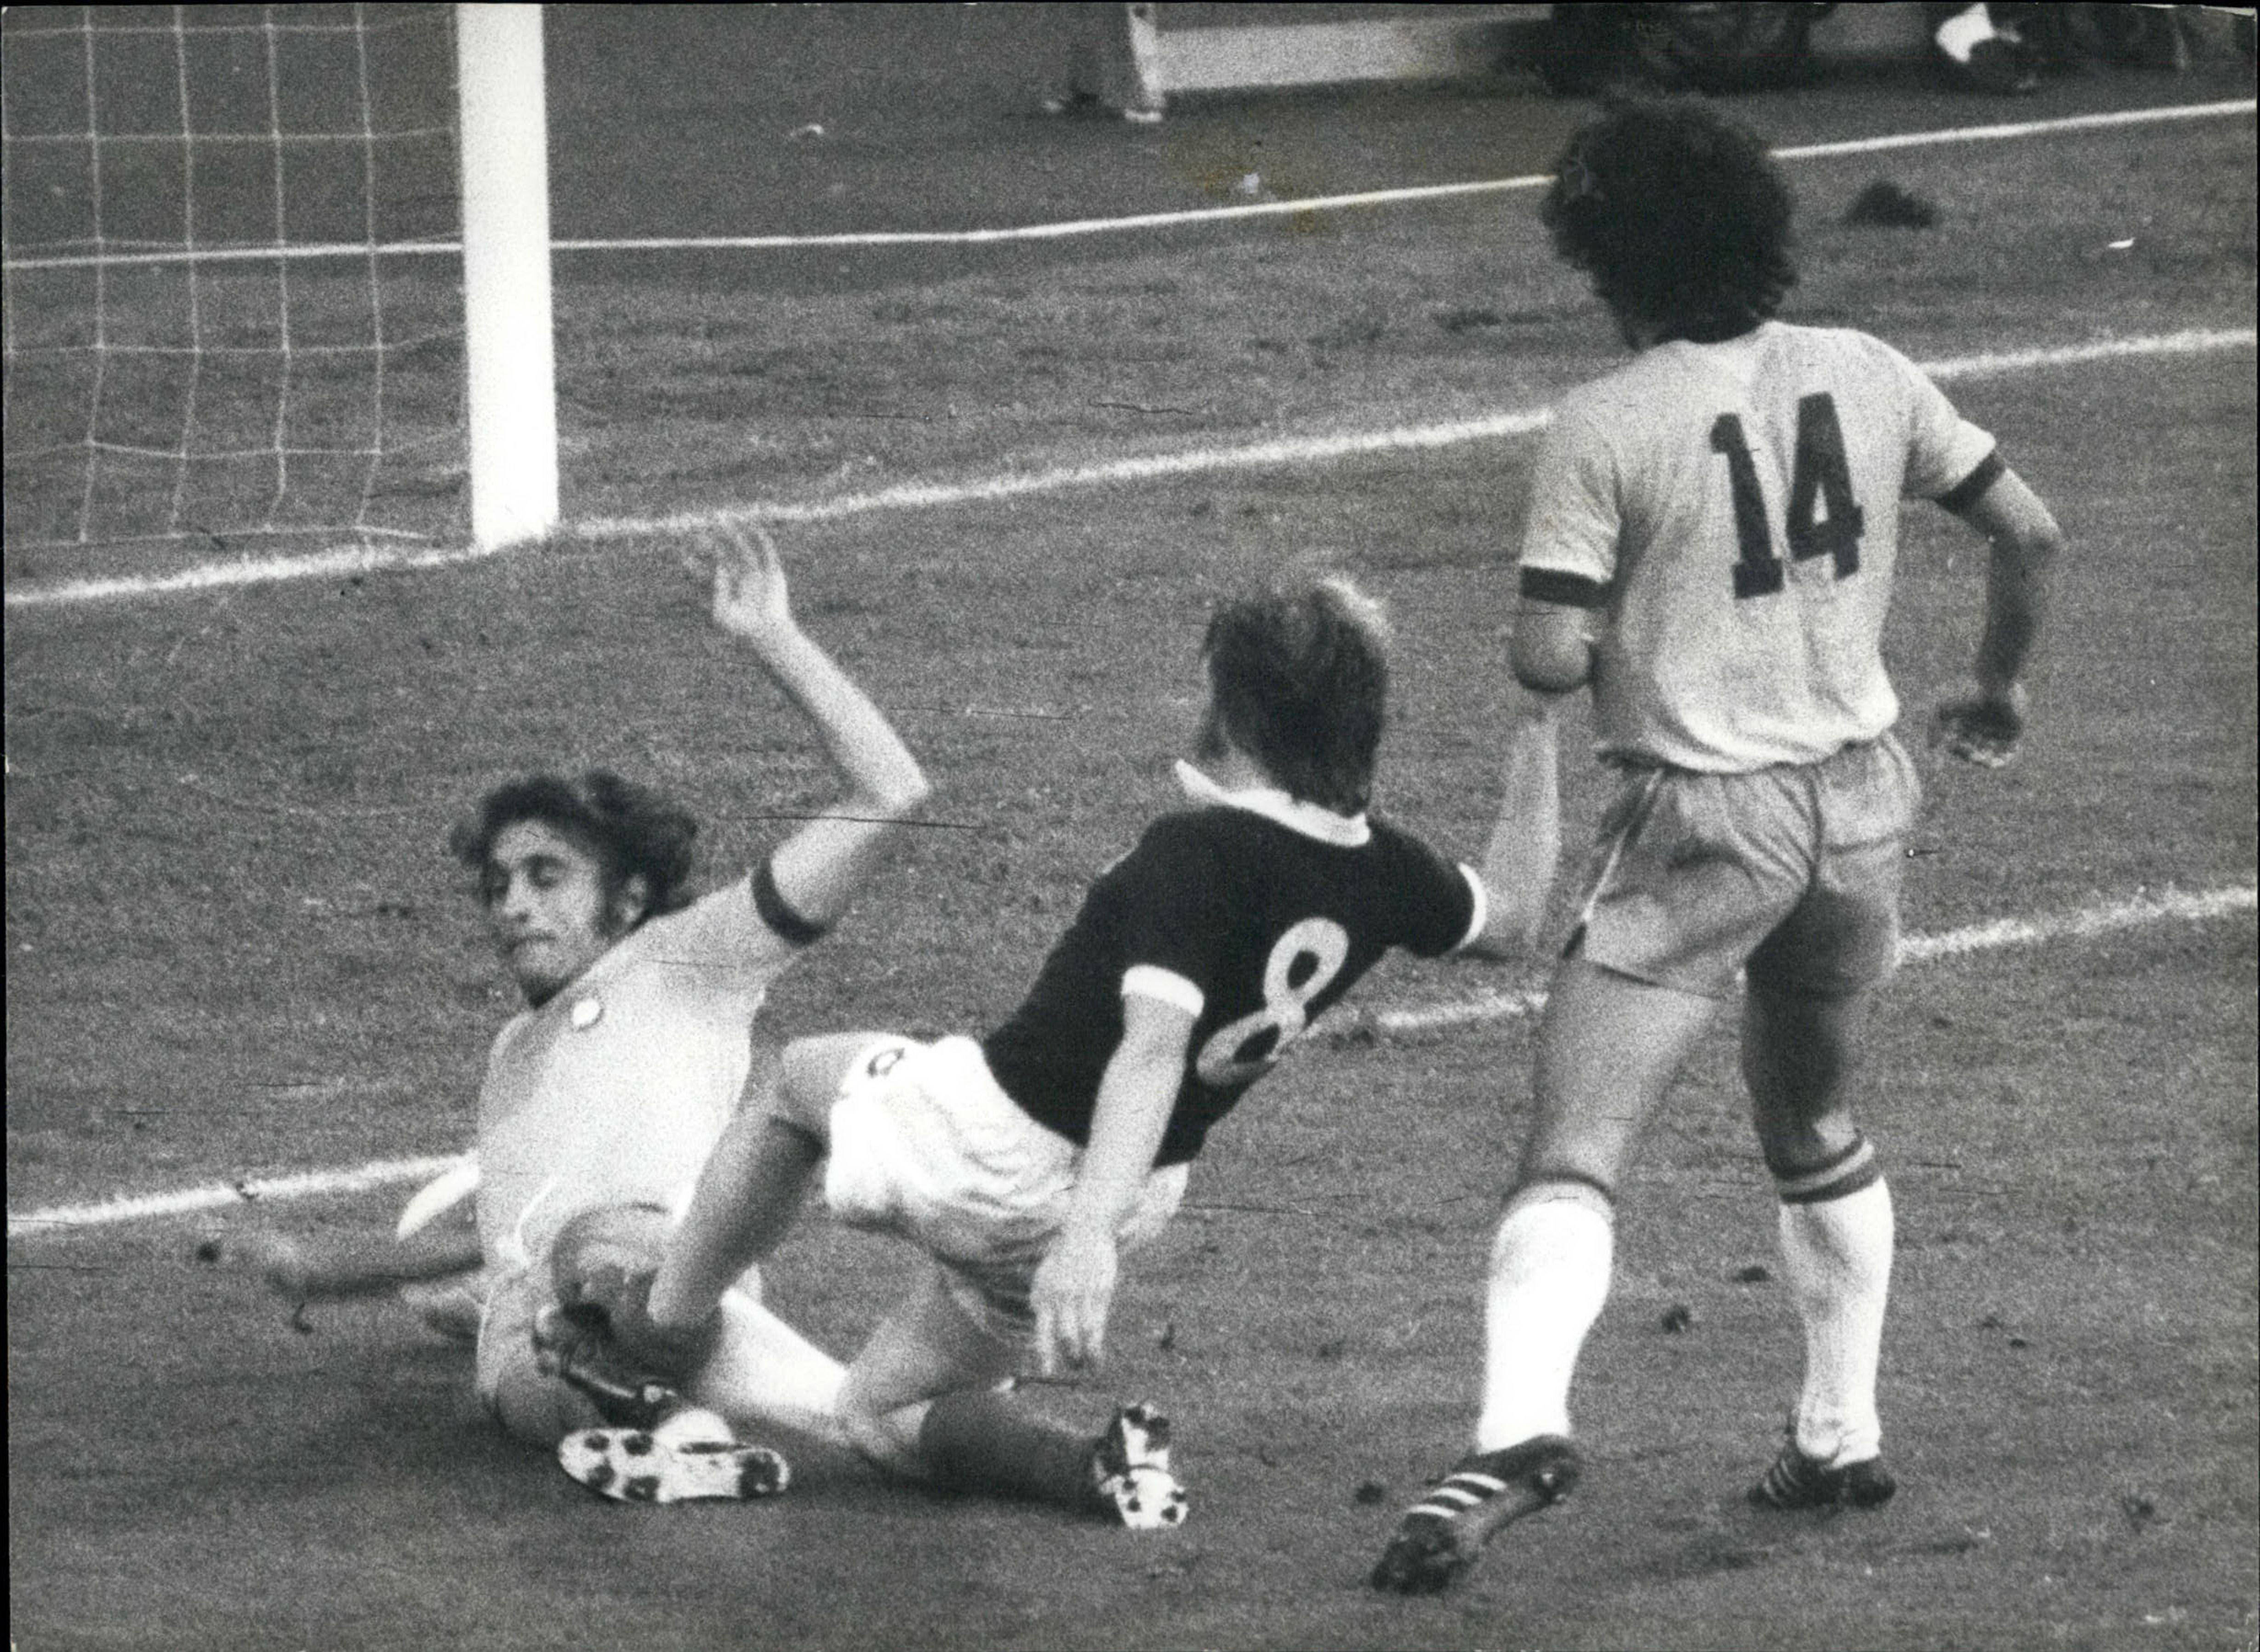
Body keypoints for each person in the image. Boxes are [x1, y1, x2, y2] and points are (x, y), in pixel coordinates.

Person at [1369, 99, 2063, 1593]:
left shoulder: (1605, 419)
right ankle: (1835, 1429)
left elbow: (1548, 658)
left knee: (1573, 1145)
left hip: (1704, 820)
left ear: (1602, 259)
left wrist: (1591, 623)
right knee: (1809, 1122)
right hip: (1861, 801)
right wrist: (1996, 688)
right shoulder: (1867, 371)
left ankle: (1516, 1427)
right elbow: (2027, 532)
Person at [553, 576, 1513, 1523]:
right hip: (1131, 1187)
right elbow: (1511, 913)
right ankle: (1096, 1470)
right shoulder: (1389, 868)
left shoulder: (1198, 851)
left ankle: (654, 1336)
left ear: (1241, 715)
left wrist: (1084, 1245)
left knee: (799, 1082)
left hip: (999, 1145)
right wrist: (1541, 732)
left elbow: (1152, 1047)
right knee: (878, 1414)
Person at [228, 521, 930, 1477]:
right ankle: (685, 1439)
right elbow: (491, 1244)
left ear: (629, 895)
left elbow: (891, 792)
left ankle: (672, 1423)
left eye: (546, 875)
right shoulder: (511, 1053)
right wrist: (318, 1271)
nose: (512, 905)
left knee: (592, 1251)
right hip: (536, 1355)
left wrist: (771, 637)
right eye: (497, 885)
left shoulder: (688, 961)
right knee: (543, 1320)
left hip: (659, 1292)